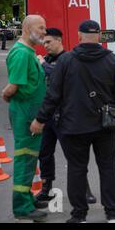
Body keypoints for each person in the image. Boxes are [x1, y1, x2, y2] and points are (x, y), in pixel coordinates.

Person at [30, 20, 115, 223]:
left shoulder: (67, 61)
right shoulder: (112, 60)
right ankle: (112, 214)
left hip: (75, 126)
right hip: (105, 126)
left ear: (79, 35)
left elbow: (53, 95)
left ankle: (80, 216)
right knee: (108, 168)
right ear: (99, 37)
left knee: (77, 170)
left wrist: (40, 119)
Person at [34, 28, 97, 205]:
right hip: (47, 115)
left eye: (49, 42)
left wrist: (43, 66)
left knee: (73, 155)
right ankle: (46, 189)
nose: (45, 46)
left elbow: (55, 75)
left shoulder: (69, 59)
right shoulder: (45, 60)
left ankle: (85, 190)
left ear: (59, 40)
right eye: (43, 43)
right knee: (44, 154)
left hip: (64, 116)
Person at [1, 15, 48, 222]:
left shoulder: (29, 52)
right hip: (25, 116)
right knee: (24, 159)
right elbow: (13, 86)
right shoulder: (21, 54)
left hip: (30, 114)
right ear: (28, 29)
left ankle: (27, 198)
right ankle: (22, 207)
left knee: (30, 159)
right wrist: (5, 94)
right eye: (41, 28)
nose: (45, 32)